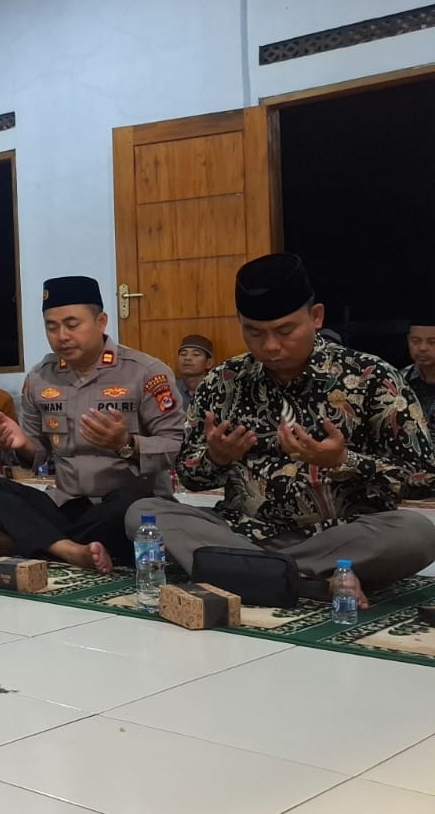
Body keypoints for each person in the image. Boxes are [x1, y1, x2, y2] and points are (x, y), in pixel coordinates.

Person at [130, 254, 435, 602]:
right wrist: (216, 457)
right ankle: (303, 581)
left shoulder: (371, 378)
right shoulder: (224, 381)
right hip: (241, 532)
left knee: (417, 533)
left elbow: (424, 476)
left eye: (285, 331)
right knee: (143, 513)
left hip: (340, 538)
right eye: (254, 332)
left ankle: (245, 573)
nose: (270, 346)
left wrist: (343, 461)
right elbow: (189, 478)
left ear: (316, 316)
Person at [0, 276, 185, 572]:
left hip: (131, 508)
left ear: (101, 322)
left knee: (127, 505)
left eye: (72, 325)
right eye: (52, 327)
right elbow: (38, 455)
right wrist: (23, 445)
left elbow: (175, 446)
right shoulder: (40, 378)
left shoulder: (145, 373)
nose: (62, 336)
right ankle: (71, 550)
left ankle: (34, 541)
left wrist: (126, 444)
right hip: (69, 506)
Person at [403, 315, 435, 420]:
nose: (422, 348)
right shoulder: (400, 379)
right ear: (408, 340)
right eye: (416, 341)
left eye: (432, 342)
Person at [176, 334, 215, 410]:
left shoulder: (217, 390)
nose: (187, 358)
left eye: (196, 354)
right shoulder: (171, 388)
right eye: (183, 354)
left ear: (209, 363)